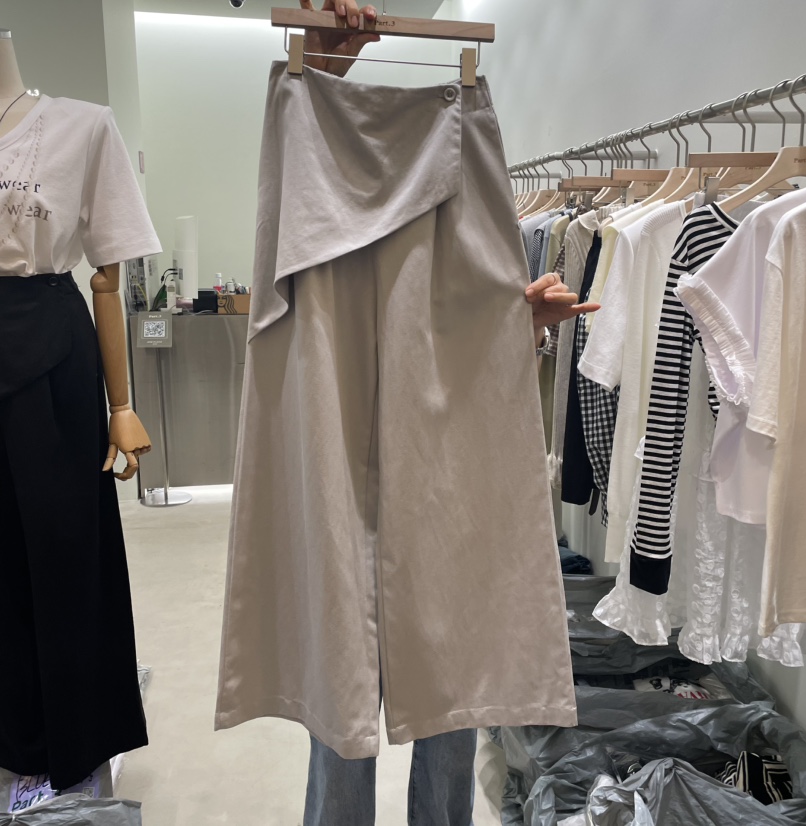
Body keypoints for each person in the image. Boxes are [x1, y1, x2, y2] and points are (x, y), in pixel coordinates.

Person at [294, 2, 598, 823]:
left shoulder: (468, 203)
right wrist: (321, 65)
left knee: (453, 678)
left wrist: (515, 330)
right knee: (347, 685)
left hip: (444, 466)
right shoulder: (318, 211)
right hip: (344, 452)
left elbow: (452, 338)